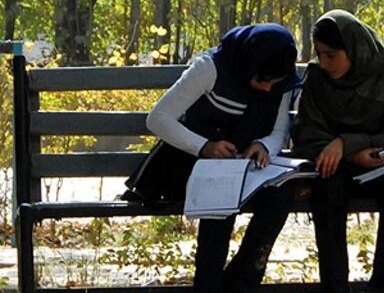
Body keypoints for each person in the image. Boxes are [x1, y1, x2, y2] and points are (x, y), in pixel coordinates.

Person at [122, 23, 301, 293]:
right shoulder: (211, 68)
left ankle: (241, 282)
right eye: (261, 81)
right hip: (191, 162)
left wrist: (263, 145)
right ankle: (208, 285)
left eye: (272, 84)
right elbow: (158, 119)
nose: (266, 90)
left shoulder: (281, 81)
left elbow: (278, 131)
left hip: (245, 166)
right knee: (220, 194)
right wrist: (205, 146)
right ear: (249, 63)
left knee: (280, 196)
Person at [291, 9, 384, 293]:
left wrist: (346, 143)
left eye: (331, 55)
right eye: (320, 54)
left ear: (353, 50)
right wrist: (347, 153)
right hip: (336, 165)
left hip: (383, 165)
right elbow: (306, 133)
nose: (324, 63)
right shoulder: (317, 77)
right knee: (327, 185)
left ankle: (383, 284)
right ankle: (335, 288)